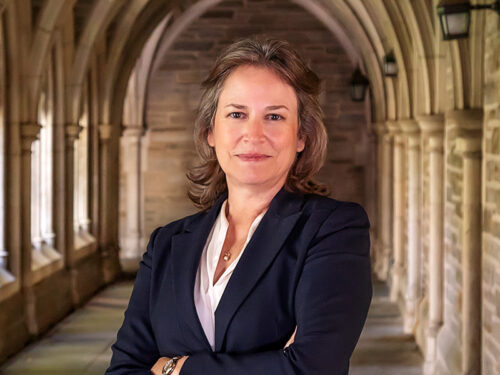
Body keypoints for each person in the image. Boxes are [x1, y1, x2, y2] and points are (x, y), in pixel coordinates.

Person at [106, 37, 372, 375]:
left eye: (274, 116)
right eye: (236, 113)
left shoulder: (333, 229)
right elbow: (122, 370)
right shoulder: (166, 245)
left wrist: (175, 368)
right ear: (210, 131)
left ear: (301, 136)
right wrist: (274, 363)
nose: (253, 133)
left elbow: (312, 368)